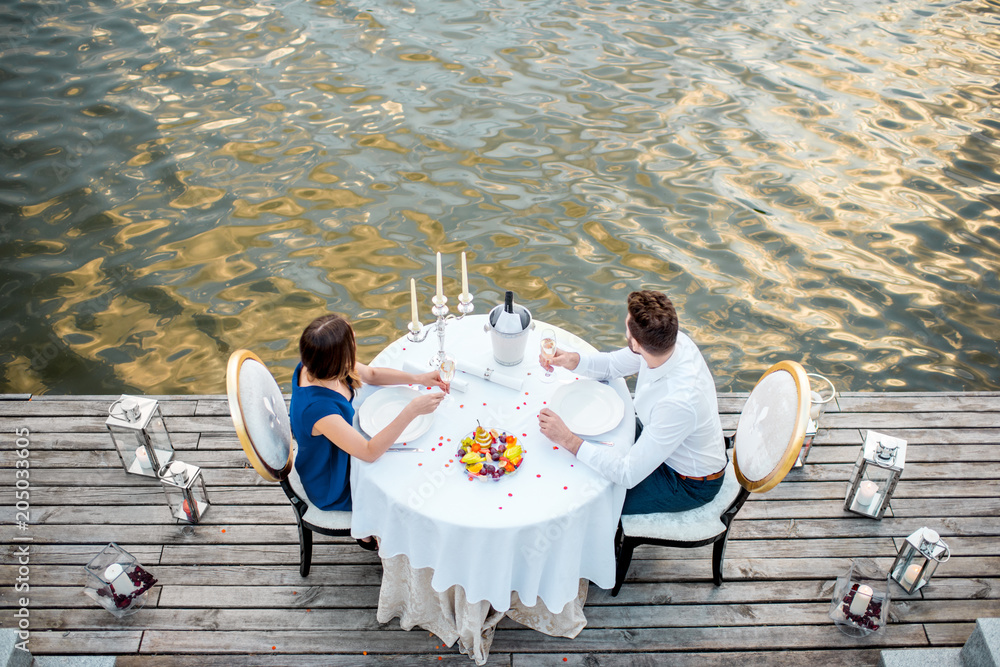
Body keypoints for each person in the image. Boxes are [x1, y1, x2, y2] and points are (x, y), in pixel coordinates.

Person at [537, 290, 727, 515]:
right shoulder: (668, 343)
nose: (625, 327)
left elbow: (627, 474)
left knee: (587, 503)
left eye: (627, 326)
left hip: (685, 481)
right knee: (582, 459)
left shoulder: (678, 402)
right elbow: (611, 365)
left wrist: (568, 439)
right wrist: (571, 360)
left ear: (635, 343)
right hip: (657, 440)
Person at [289, 313, 447, 548]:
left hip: (345, 446)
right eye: (352, 341)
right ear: (338, 357)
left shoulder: (319, 362)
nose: (355, 342)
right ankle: (372, 531)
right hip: (334, 477)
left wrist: (419, 378)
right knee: (408, 484)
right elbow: (369, 451)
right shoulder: (318, 409)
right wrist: (411, 410)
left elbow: (371, 375)